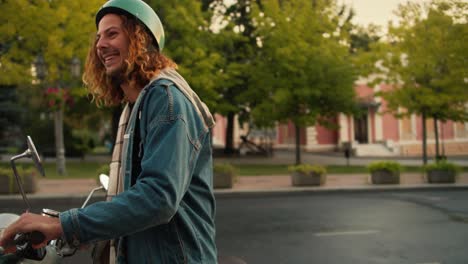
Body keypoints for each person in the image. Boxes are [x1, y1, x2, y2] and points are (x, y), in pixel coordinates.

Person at [0, 0, 218, 263]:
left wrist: (65, 225)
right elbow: (131, 203)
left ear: (140, 39)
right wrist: (73, 229)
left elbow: (158, 198)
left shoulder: (167, 99)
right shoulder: (135, 106)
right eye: (98, 37)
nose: (100, 45)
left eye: (112, 34)